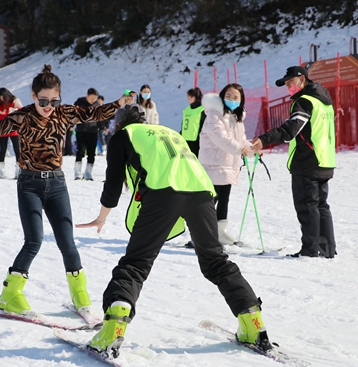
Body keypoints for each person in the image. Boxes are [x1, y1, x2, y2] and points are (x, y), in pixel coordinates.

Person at [76, 103, 273, 358]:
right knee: (215, 260)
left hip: (165, 192)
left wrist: (100, 218)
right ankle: (252, 324)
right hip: (202, 191)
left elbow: (113, 185)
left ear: (120, 124)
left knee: (136, 262)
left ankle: (113, 327)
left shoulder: (124, 136)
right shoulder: (166, 131)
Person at [0, 64, 134, 317]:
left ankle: (79, 294)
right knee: (34, 240)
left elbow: (94, 113)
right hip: (29, 185)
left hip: (57, 184)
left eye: (54, 100)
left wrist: (120, 102)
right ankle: (9, 295)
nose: (48, 106)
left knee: (67, 242)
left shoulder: (65, 113)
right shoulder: (22, 116)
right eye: (43, 100)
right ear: (33, 96)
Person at [251, 66, 336, 258]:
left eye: (291, 82)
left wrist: (264, 139)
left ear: (302, 79)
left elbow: (291, 128)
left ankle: (311, 250)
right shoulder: (323, 101)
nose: (289, 87)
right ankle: (327, 248)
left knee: (307, 207)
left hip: (307, 161)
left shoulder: (304, 101)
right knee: (321, 205)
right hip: (325, 159)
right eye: (286, 84)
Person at [199, 84, 253, 246]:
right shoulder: (214, 114)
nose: (232, 100)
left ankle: (220, 231)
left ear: (241, 99)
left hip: (228, 164)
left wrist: (251, 149)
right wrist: (239, 149)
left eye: (236, 97)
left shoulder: (236, 116)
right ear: (222, 96)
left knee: (224, 199)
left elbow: (241, 139)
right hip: (213, 163)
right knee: (210, 200)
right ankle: (201, 232)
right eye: (228, 96)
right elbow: (219, 137)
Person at [0, 88, 23, 179]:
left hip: (13, 129)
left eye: (2, 97)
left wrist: (7, 111)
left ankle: (19, 170)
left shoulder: (15, 101)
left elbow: (20, 110)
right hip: (2, 129)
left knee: (17, 149)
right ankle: (0, 170)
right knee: (2, 149)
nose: (1, 99)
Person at [74, 88, 101, 180]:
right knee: (80, 150)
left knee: (91, 153)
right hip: (81, 130)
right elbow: (73, 114)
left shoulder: (97, 105)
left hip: (93, 131)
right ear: (87, 95)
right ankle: (77, 172)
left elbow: (100, 117)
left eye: (95, 98)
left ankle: (88, 173)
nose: (93, 100)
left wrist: (101, 126)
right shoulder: (79, 103)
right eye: (92, 98)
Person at [181, 87, 206, 157]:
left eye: (189, 97)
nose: (188, 99)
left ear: (194, 97)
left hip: (196, 140)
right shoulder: (187, 110)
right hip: (185, 138)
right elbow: (183, 124)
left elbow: (203, 124)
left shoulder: (202, 109)